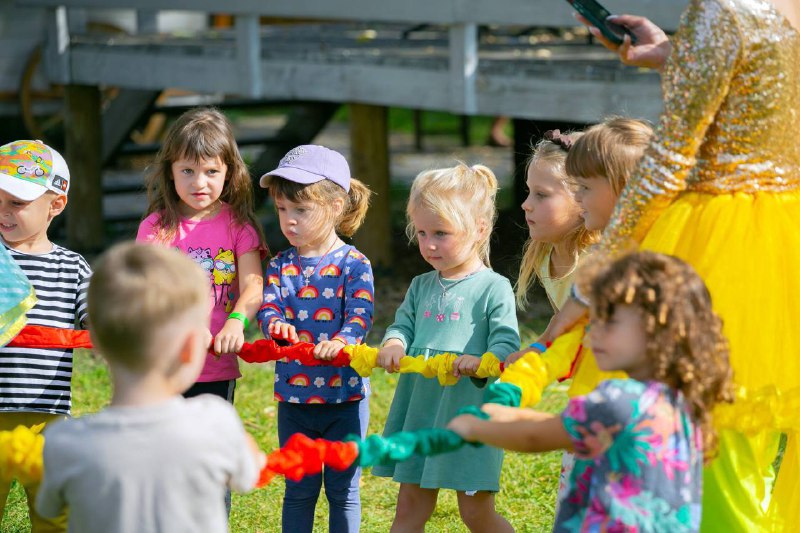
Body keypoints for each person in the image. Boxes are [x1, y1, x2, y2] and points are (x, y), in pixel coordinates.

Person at [551, 1, 800, 530]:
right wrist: (680, 56)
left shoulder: (724, 9)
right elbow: (767, 95)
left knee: (706, 439)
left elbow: (666, 163)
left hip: (723, 244)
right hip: (783, 236)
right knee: (745, 427)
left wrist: (593, 284)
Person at [449, 251, 734, 532]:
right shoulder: (685, 403)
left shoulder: (618, 400)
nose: (590, 332)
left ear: (656, 332)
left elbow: (536, 436)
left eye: (608, 322)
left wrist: (475, 426)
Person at [36, 243, 265, 533]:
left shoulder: (64, 442)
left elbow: (49, 507)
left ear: (98, 346)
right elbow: (248, 476)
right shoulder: (216, 424)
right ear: (191, 348)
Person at [374, 163, 520, 532]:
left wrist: (485, 360)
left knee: (476, 514)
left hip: (469, 415)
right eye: (421, 233)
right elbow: (402, 325)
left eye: (441, 233)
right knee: (408, 509)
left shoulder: (493, 287)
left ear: (479, 230)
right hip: (420, 410)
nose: (429, 244)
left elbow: (507, 341)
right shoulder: (421, 285)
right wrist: (394, 341)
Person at [257, 145, 374, 533]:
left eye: (301, 210)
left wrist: (341, 341)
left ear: (337, 205)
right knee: (299, 490)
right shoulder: (279, 264)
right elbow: (268, 307)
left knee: (343, 491)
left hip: (344, 398)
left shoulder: (353, 264)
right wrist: (275, 326)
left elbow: (360, 315)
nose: (289, 221)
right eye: (282, 210)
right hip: (294, 398)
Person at [137, 107, 268, 405]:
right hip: (164, 364)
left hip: (216, 368)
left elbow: (253, 286)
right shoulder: (154, 228)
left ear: (229, 172)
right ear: (170, 171)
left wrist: (236, 322)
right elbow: (144, 289)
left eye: (211, 172)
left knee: (209, 446)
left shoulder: (239, 227)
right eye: (187, 171)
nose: (199, 183)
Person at [0, 139, 90, 532]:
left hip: (48, 417)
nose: (4, 212)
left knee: (54, 515)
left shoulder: (71, 267)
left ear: (56, 204)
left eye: (16, 203)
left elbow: (97, 318)